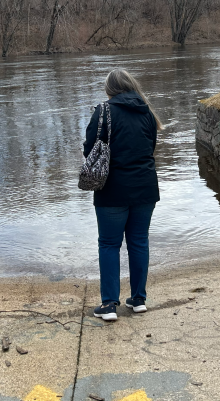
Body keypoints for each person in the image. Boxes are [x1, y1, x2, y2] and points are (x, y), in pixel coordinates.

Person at [83, 69, 162, 322]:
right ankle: (138, 299)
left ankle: (109, 305)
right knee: (139, 242)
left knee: (109, 244)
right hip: (145, 187)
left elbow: (89, 150)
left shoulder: (103, 111)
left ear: (110, 89)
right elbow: (150, 148)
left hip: (112, 189)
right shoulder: (147, 112)